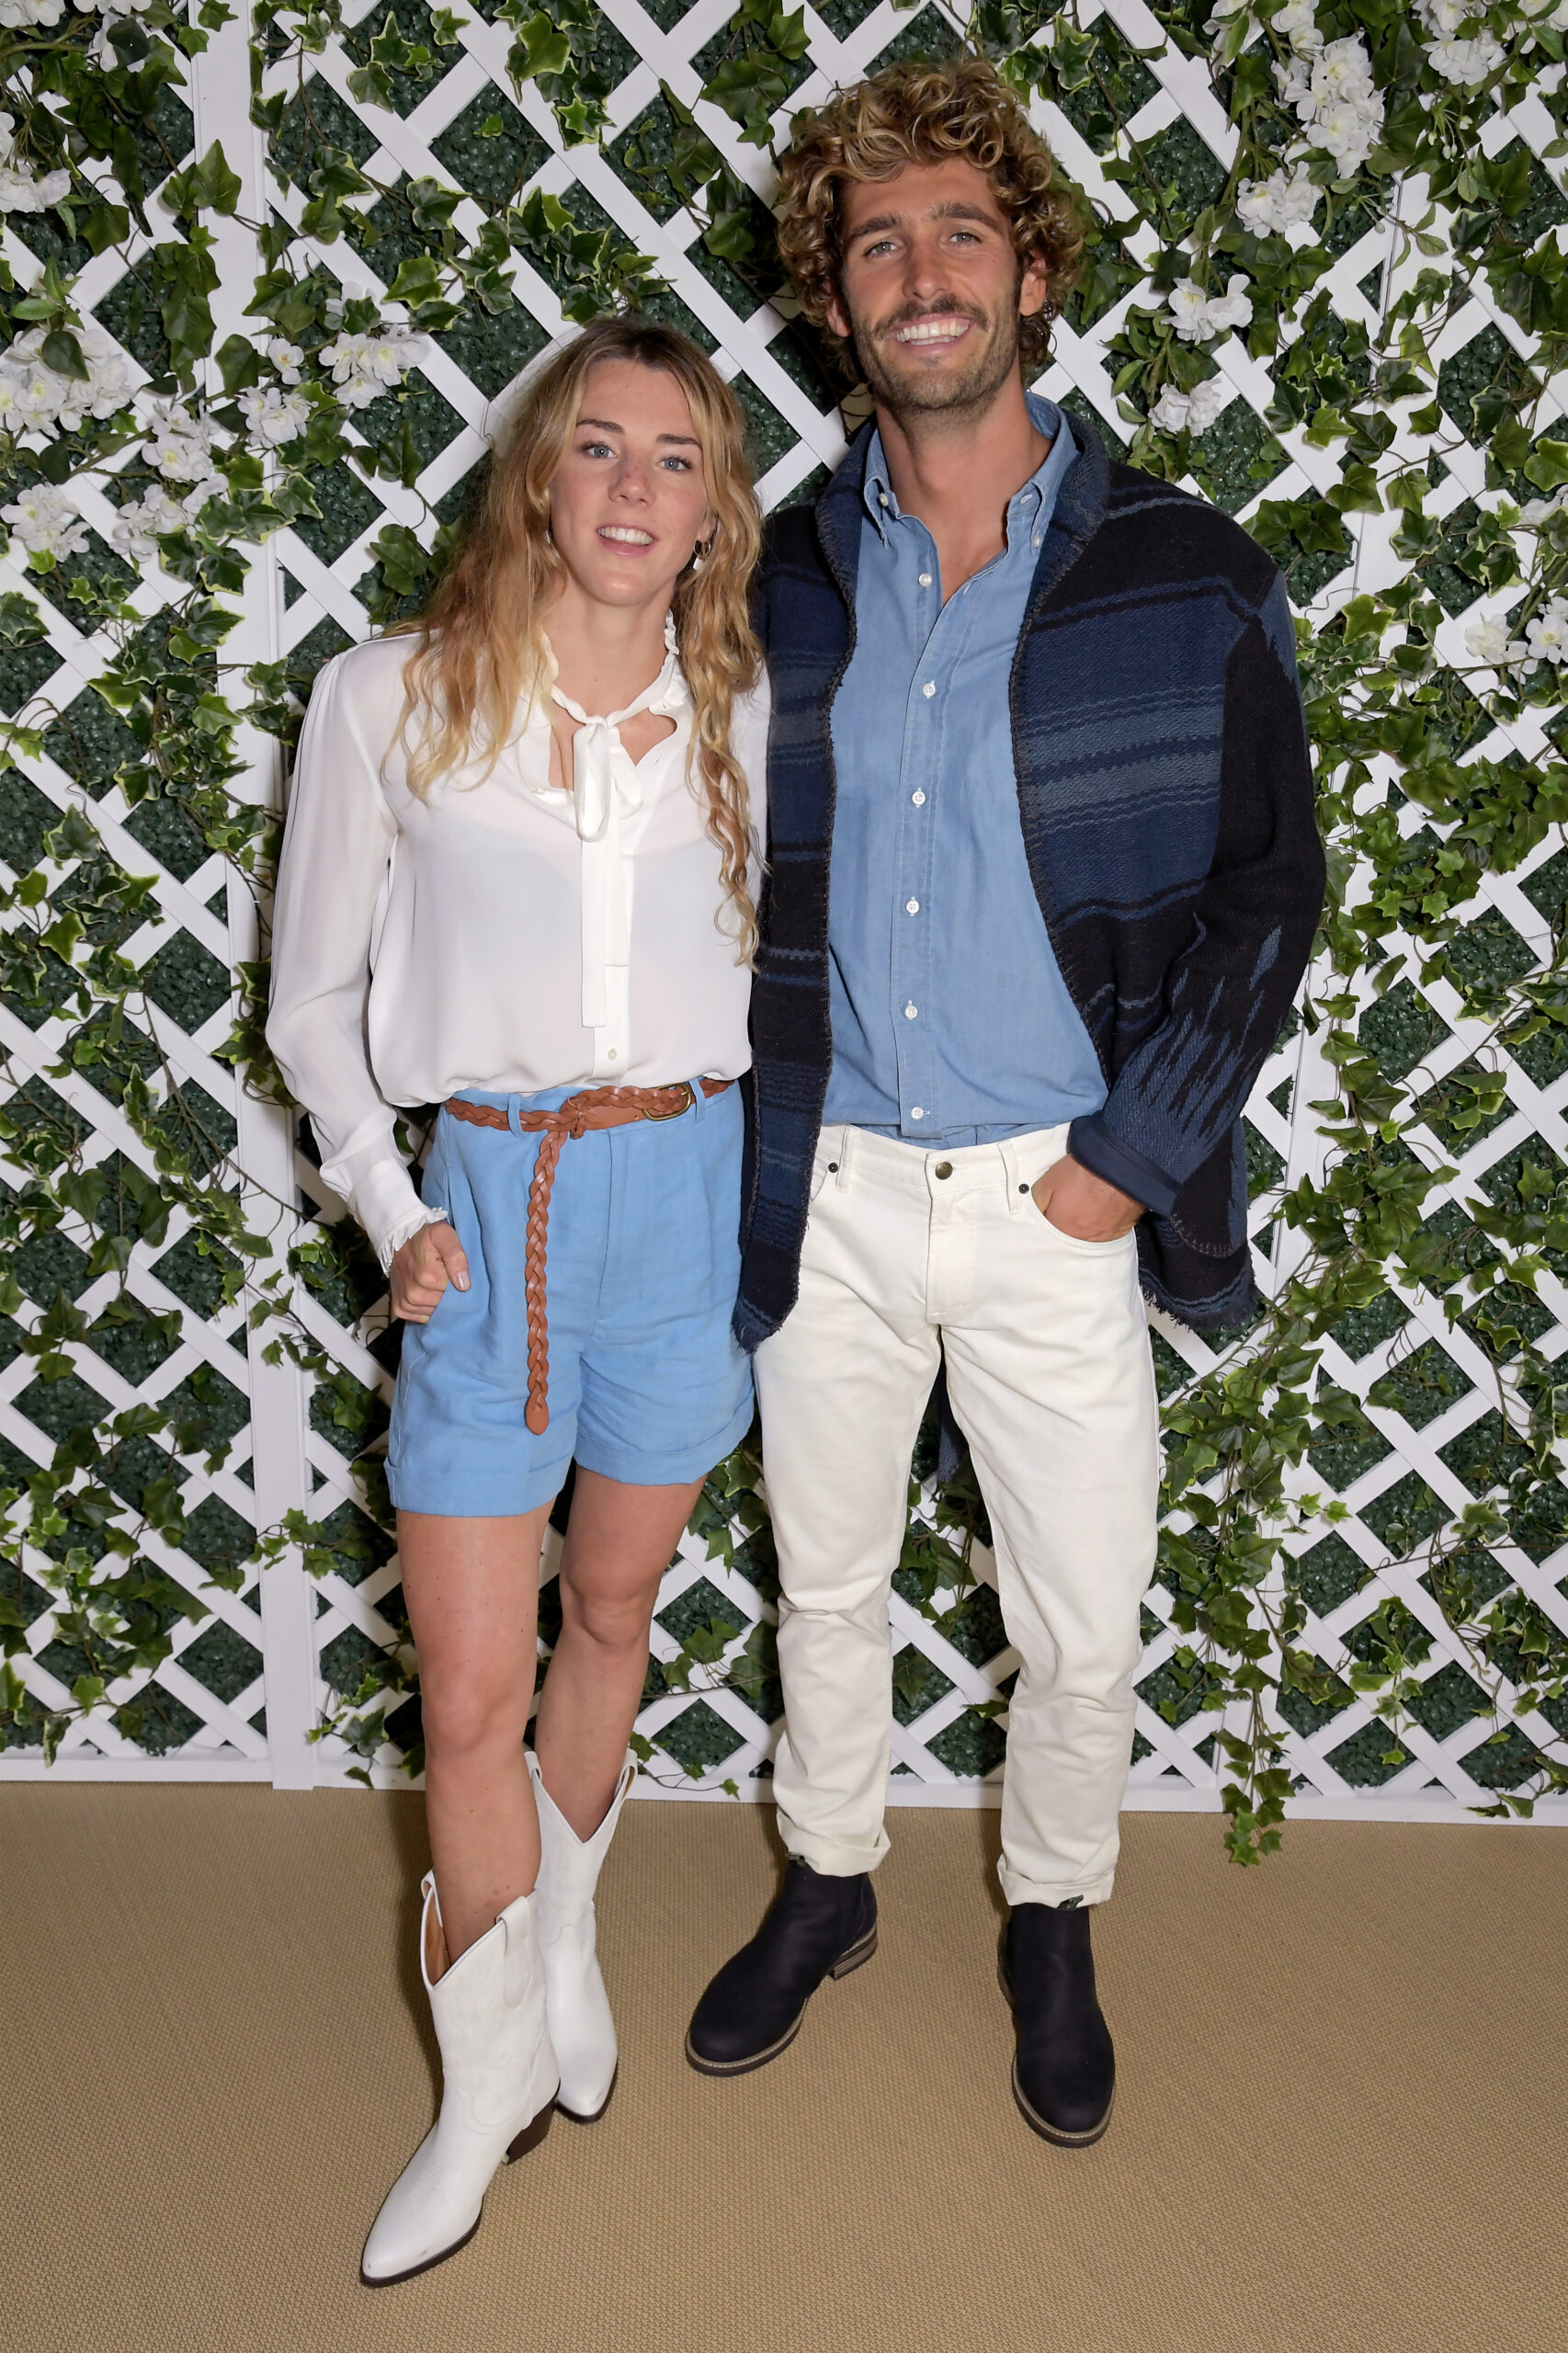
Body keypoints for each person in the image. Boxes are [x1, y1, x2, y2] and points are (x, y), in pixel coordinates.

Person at [685, 59, 1324, 2145]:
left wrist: (1125, 1165)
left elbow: (1270, 891)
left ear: (1031, 273)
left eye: (961, 230)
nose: (921, 272)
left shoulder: (1186, 571)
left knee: (1079, 1620)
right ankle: (830, 1875)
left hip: (1060, 1194)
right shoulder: (772, 580)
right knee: (826, 1583)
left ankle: (1052, 1915)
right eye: (875, 244)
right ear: (832, 300)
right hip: (833, 1190)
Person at [267, 315, 767, 2279]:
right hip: (485, 1208)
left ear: (714, 507)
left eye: (677, 456)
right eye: (599, 446)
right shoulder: (389, 697)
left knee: (613, 1614)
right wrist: (386, 1197)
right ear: (539, 476)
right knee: (468, 1693)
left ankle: (564, 1941)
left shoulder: (746, 706)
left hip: (683, 1201)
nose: (635, 487)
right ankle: (478, 2096)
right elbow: (311, 1001)